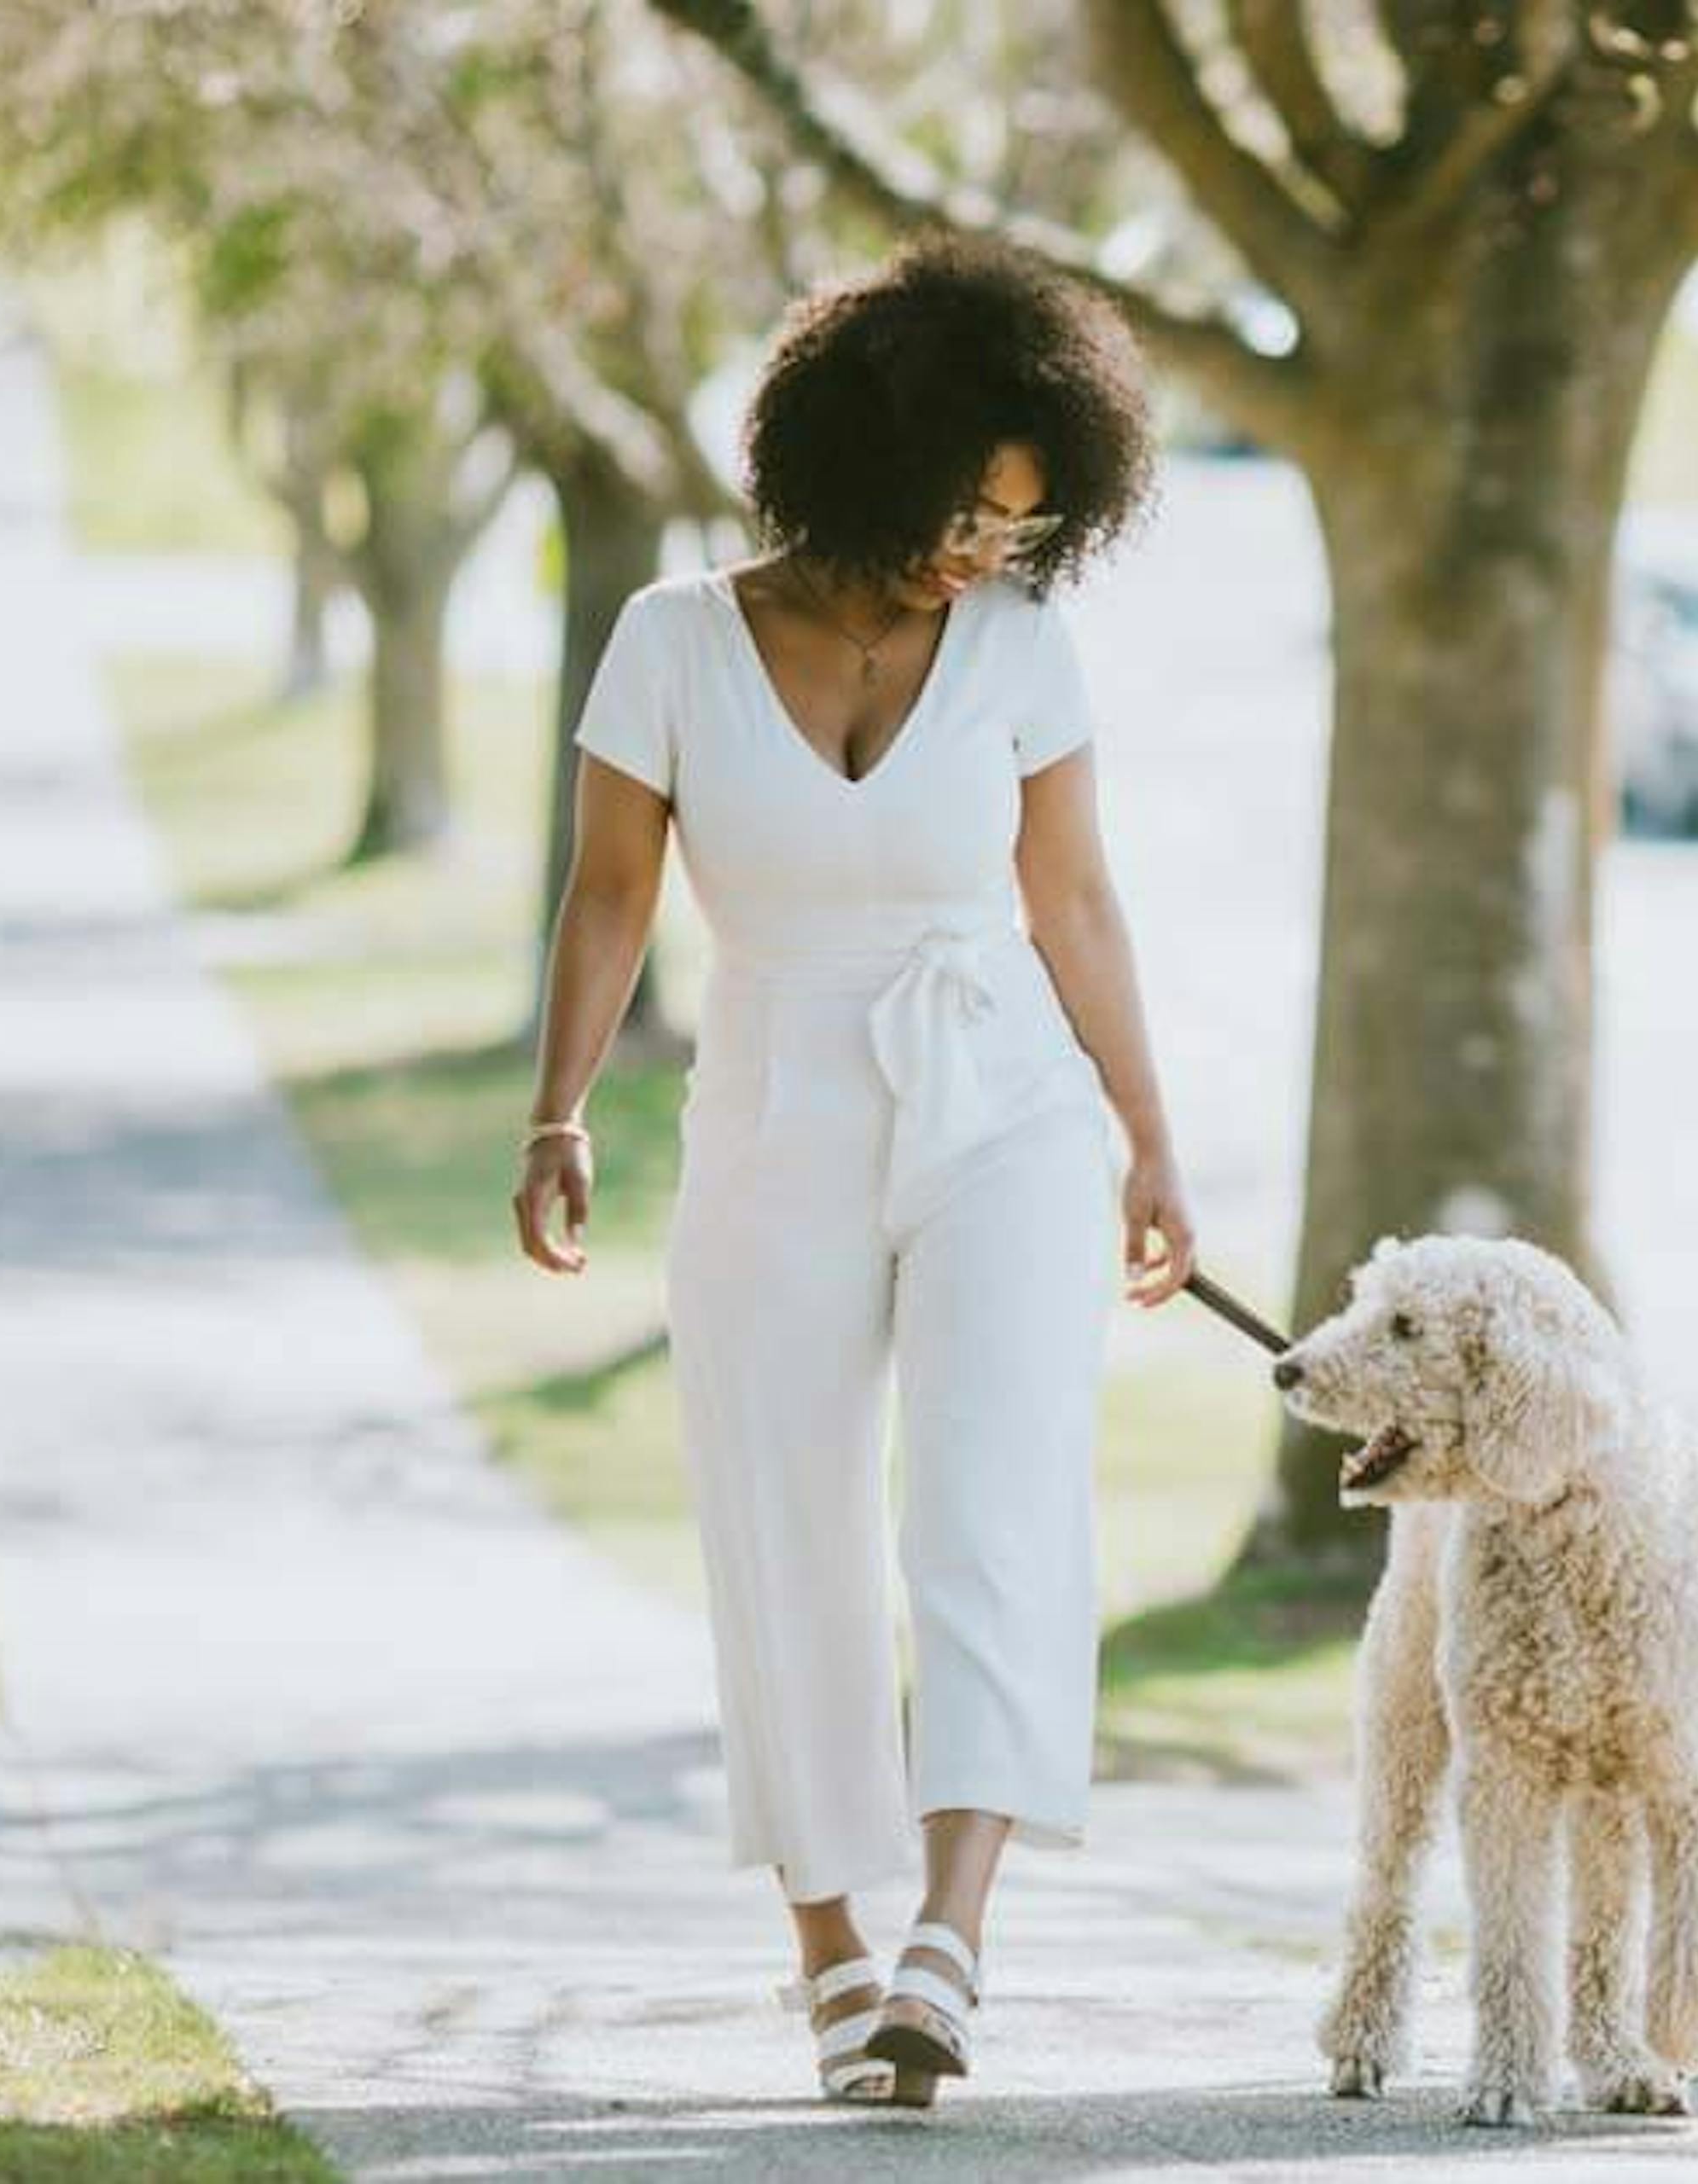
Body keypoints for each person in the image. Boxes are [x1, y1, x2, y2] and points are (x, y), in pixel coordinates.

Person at [509, 233, 1195, 2107]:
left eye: (1022, 522)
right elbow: (610, 894)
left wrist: (1148, 1133)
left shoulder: (1024, 648)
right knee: (781, 1508)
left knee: (995, 1496)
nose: (986, 547)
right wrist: (559, 1107)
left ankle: (950, 1939)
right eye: (966, 506)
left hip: (1008, 1107)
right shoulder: (667, 638)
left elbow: (1072, 899)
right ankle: (827, 1939)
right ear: (866, 456)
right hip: (775, 1097)